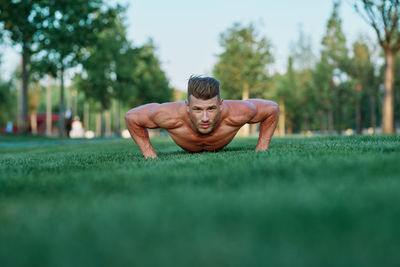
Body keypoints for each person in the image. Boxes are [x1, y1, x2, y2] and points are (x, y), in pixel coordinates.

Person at [125, 76, 279, 158]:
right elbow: (132, 117)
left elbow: (272, 109)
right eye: (197, 109)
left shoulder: (238, 112)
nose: (205, 118)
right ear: (187, 106)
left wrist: (262, 148)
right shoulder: (167, 115)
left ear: (220, 105)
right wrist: (149, 154)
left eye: (211, 108)